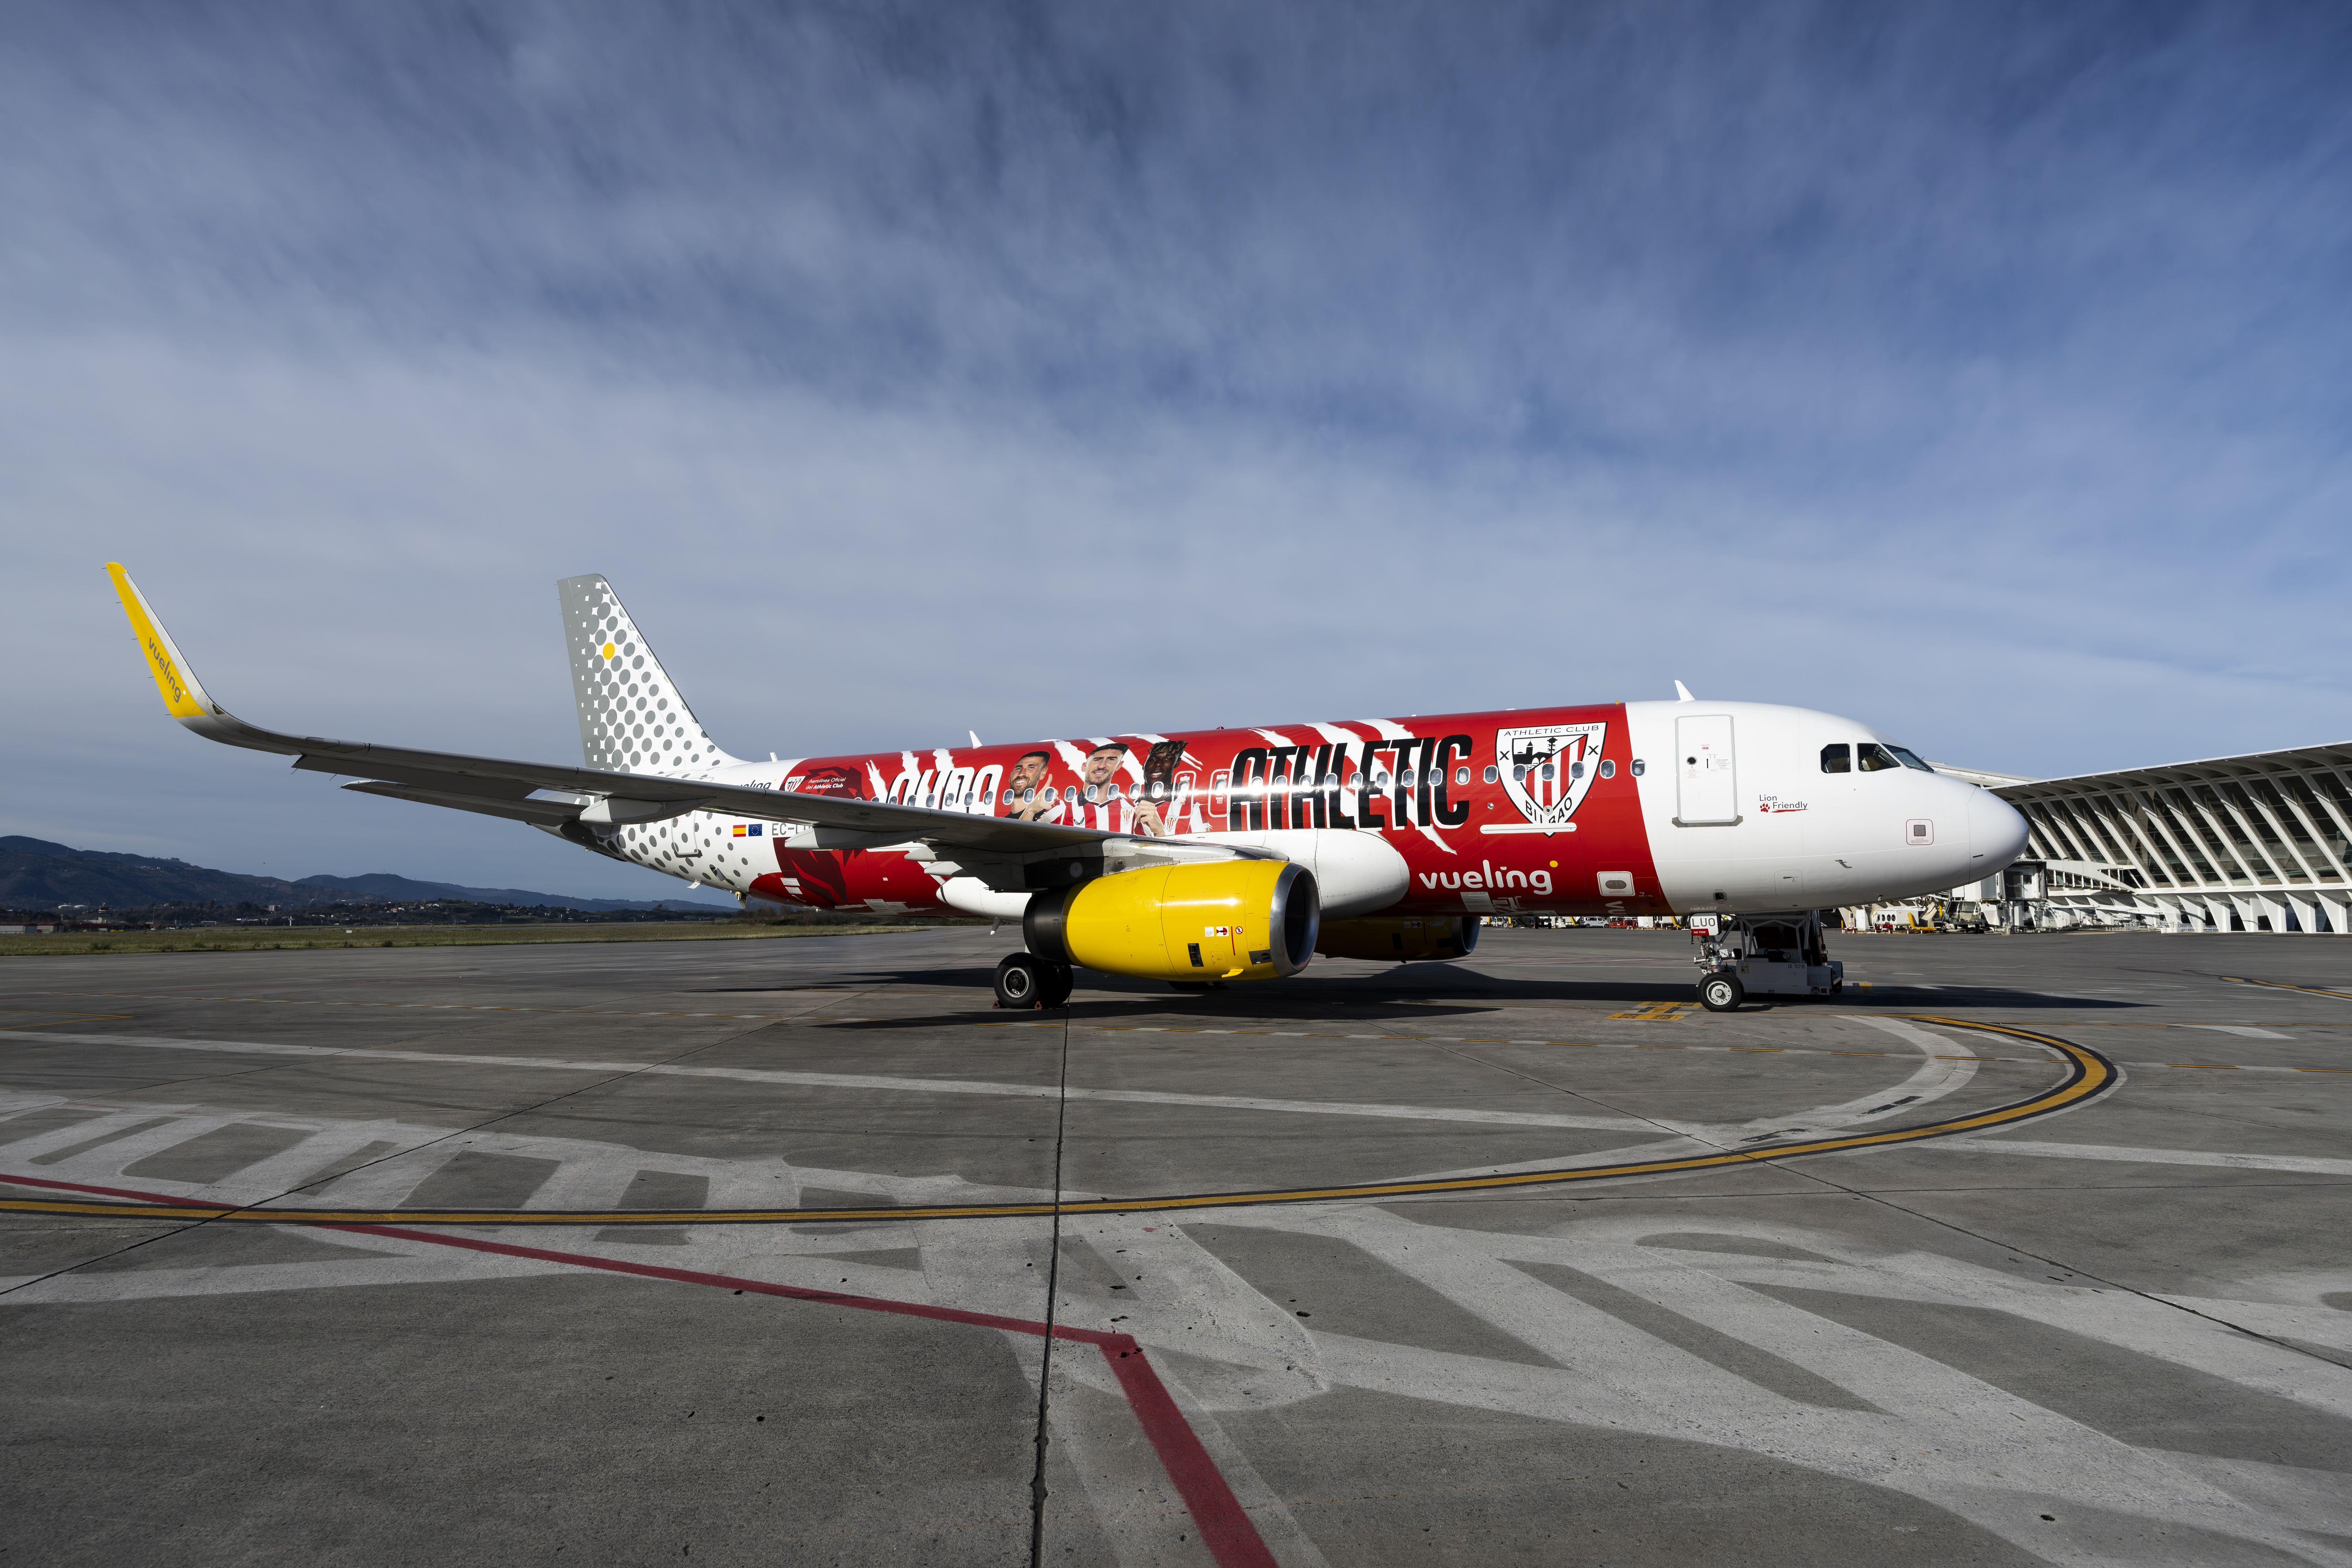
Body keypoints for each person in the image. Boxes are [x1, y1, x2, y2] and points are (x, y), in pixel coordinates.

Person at [999, 749, 1062, 823]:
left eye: (1031, 768)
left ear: (1043, 773)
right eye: (1019, 768)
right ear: (1011, 776)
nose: (1021, 774)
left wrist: (1031, 812)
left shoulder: (1048, 816)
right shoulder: (1000, 823)